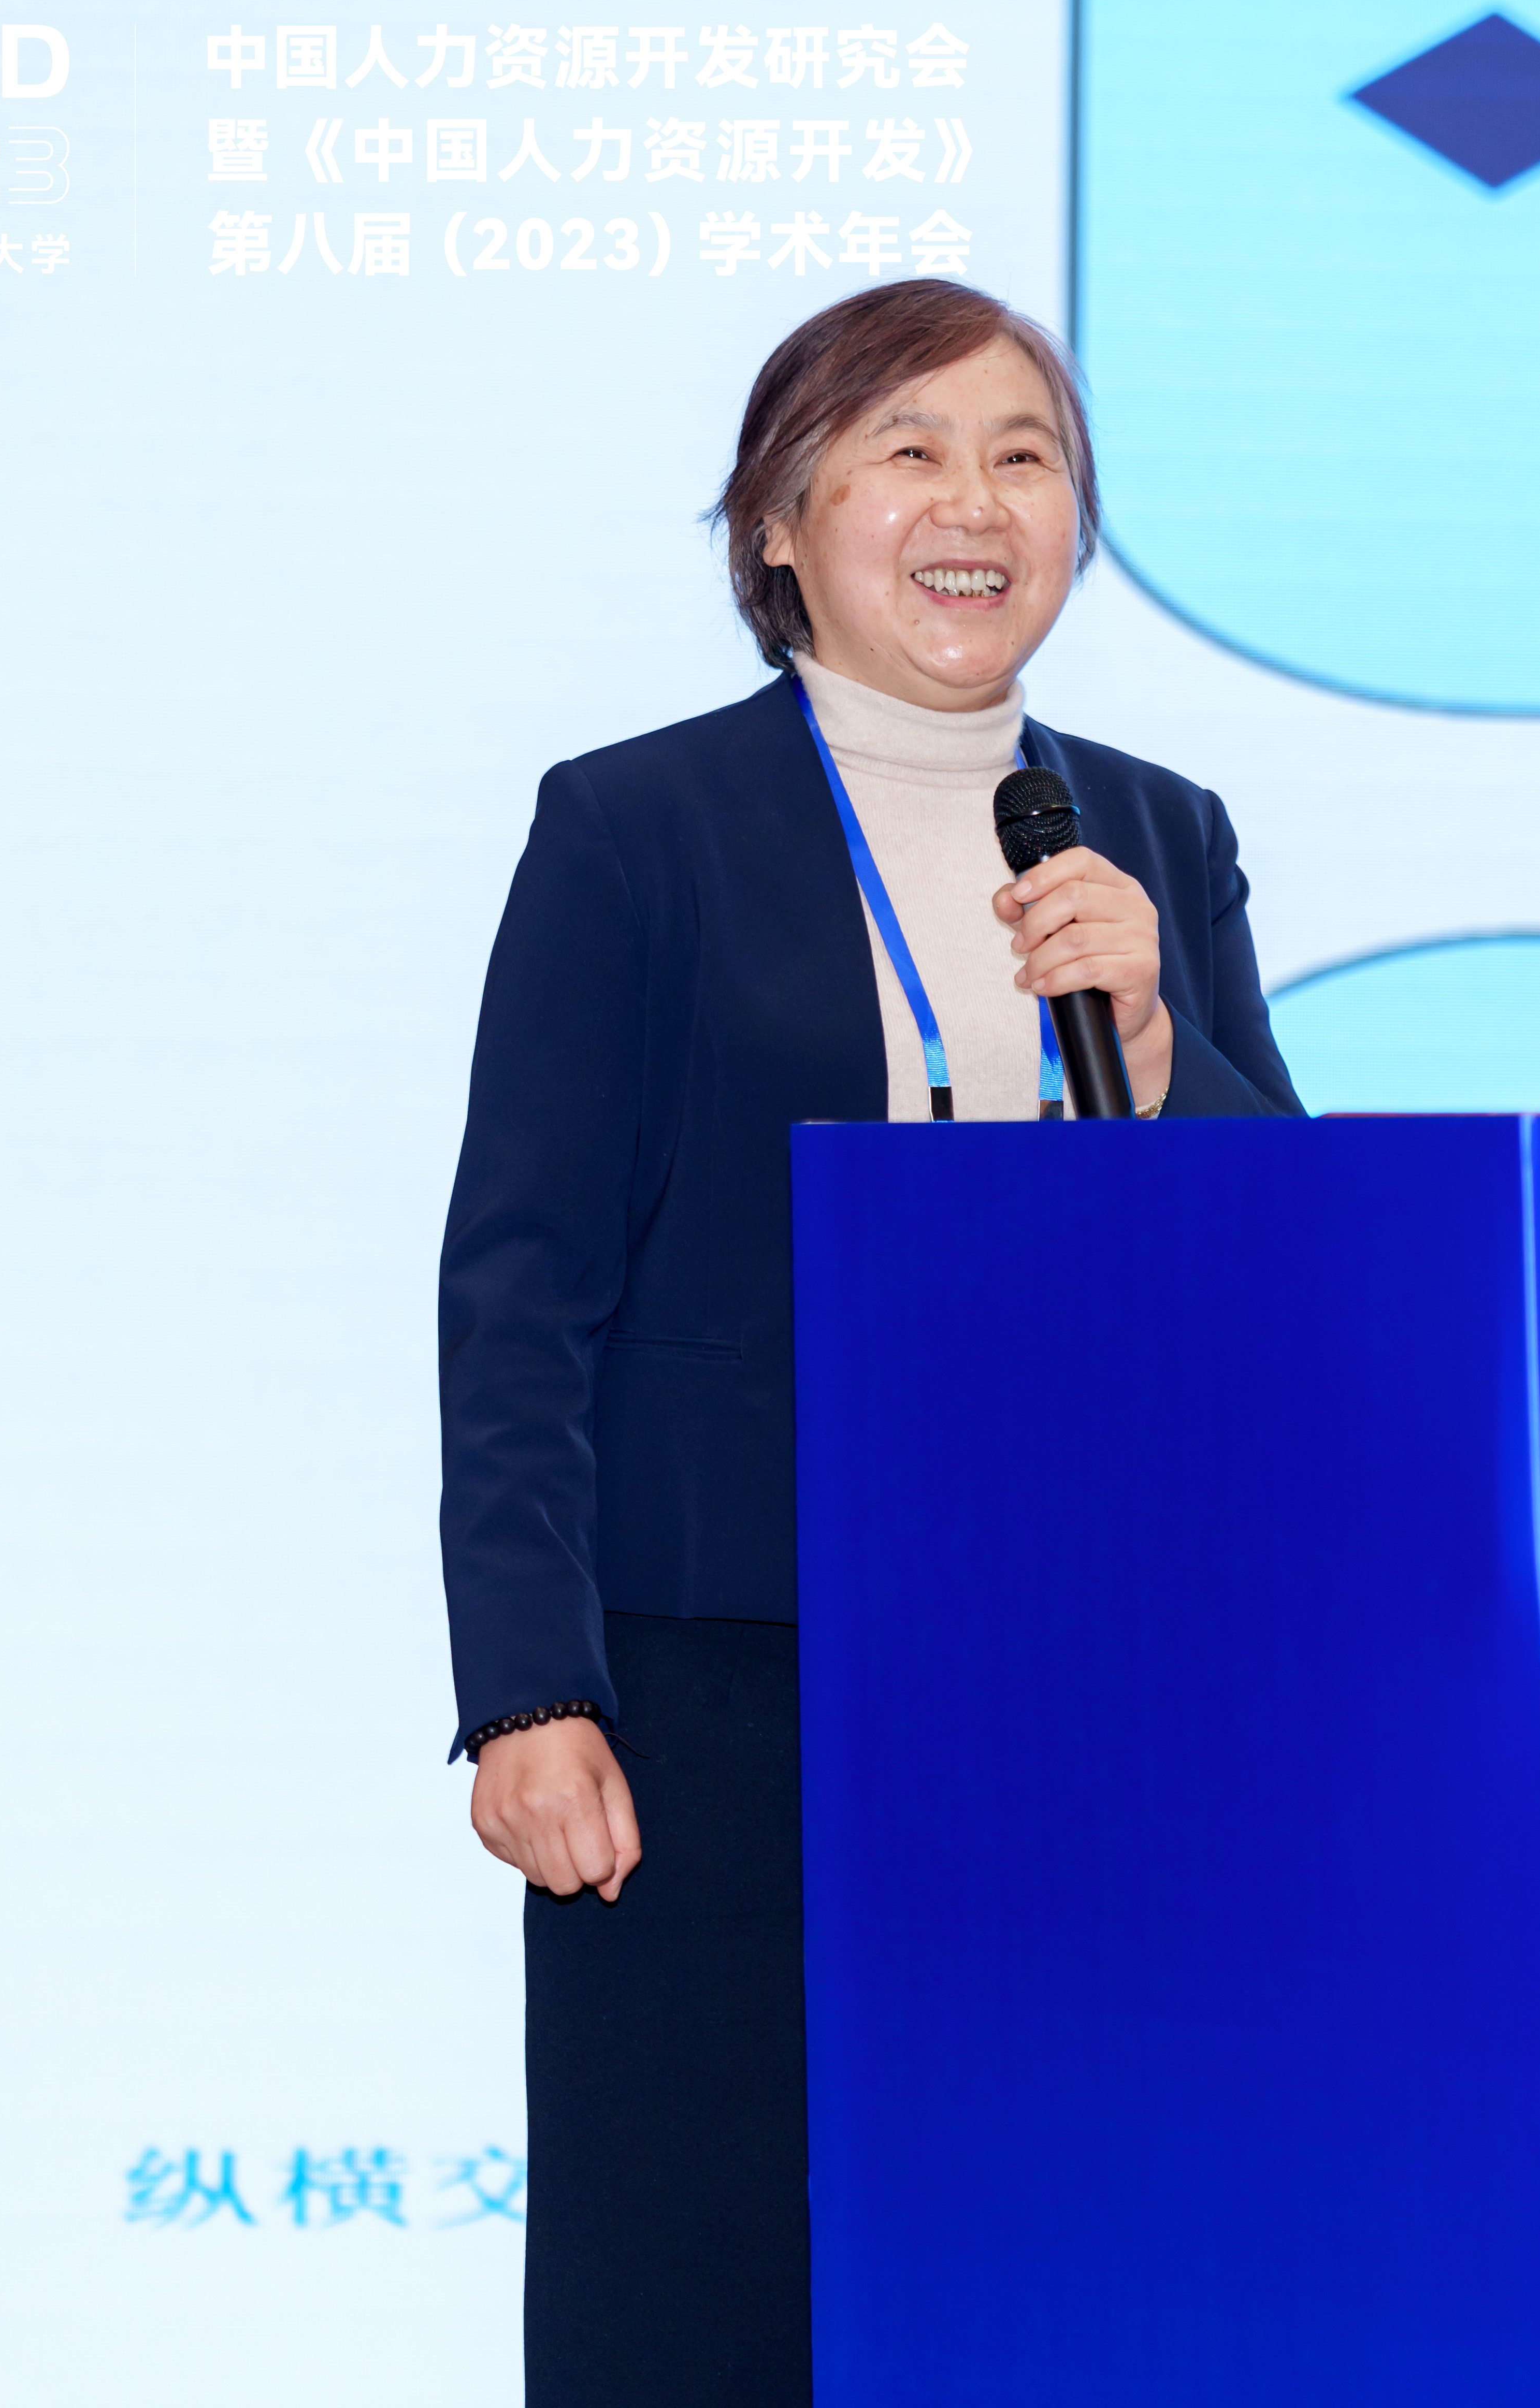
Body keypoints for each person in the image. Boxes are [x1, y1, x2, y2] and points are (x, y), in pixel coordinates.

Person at [436, 280, 1303, 2404]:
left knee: (1072, 2255)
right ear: (778, 523)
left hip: (1093, 1681)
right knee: (705, 2275)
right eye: (907, 449)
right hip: (730, 1687)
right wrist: (530, 1689)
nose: (974, 500)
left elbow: (1293, 1254)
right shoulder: (637, 828)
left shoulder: (1158, 834)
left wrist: (1161, 1050)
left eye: (1025, 456)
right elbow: (521, 1288)